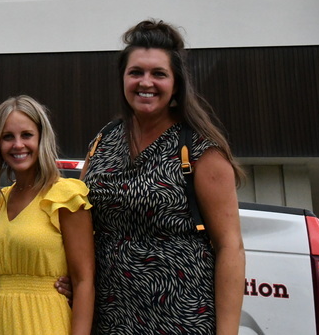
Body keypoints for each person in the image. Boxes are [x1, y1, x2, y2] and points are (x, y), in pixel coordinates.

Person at [80, 19, 245, 334]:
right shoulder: (104, 140)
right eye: (136, 72)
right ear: (123, 78)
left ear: (176, 83)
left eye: (158, 73)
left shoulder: (199, 149)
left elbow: (230, 247)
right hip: (111, 319)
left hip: (181, 320)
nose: (146, 82)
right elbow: (80, 224)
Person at [0, 95, 94, 335]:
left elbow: (84, 282)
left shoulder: (64, 196)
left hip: (47, 320)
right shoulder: (0, 202)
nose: (18, 145)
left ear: (42, 138)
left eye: (27, 135)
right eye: (7, 137)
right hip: (1, 320)